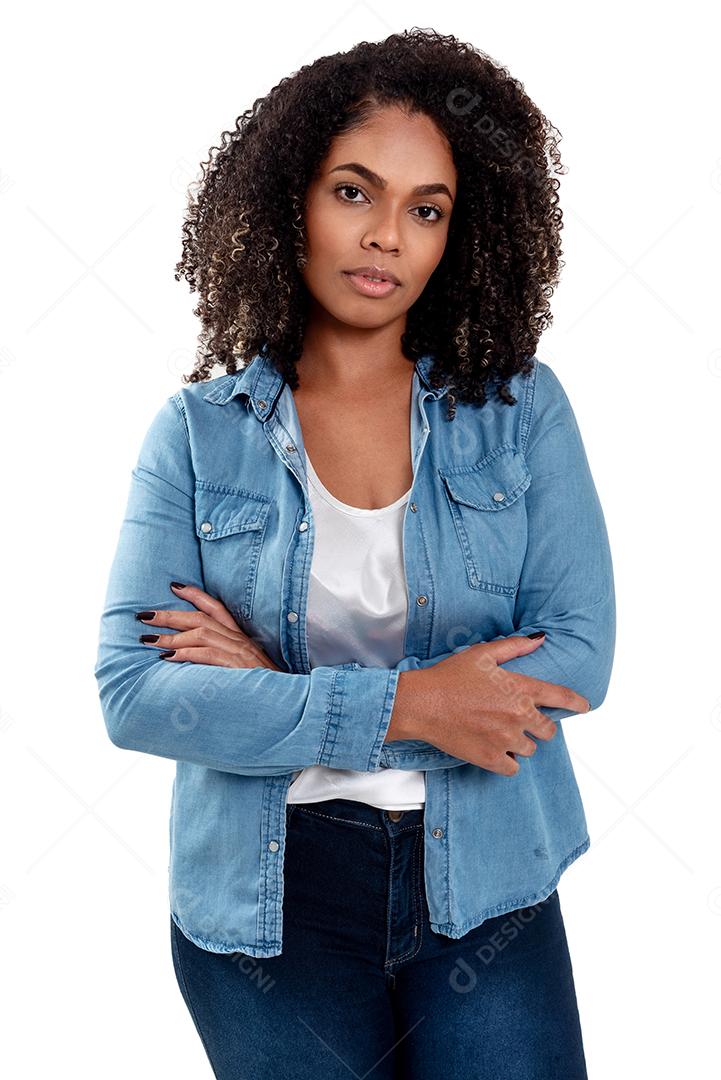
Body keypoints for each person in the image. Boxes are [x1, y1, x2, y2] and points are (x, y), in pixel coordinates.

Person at [94, 28, 616, 1079]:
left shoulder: (520, 411)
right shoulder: (201, 434)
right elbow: (136, 694)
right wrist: (419, 706)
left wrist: (284, 697)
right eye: (353, 193)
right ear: (290, 197)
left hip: (485, 886)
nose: (386, 237)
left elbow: (574, 659)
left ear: (458, 237)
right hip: (267, 906)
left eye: (426, 210)